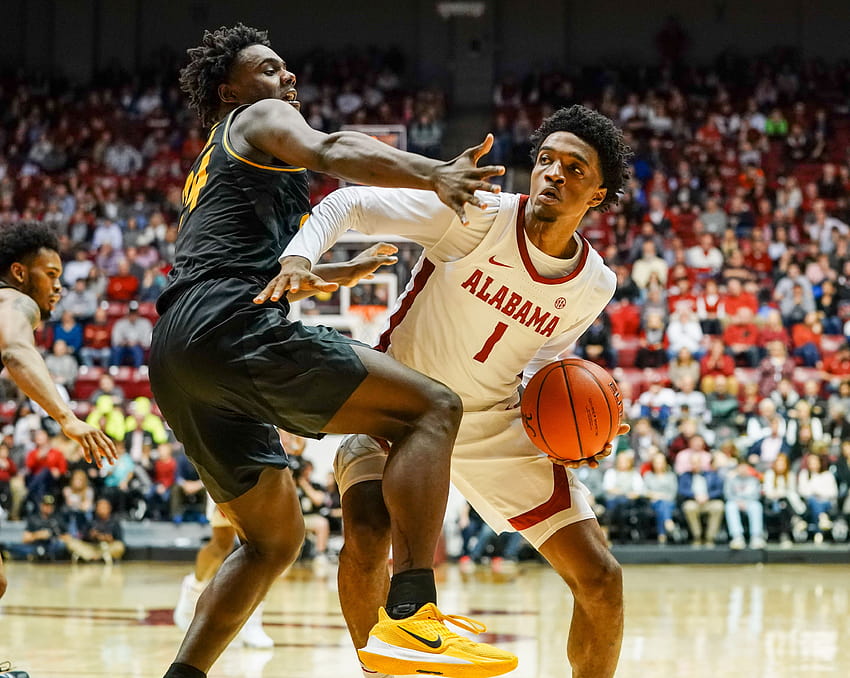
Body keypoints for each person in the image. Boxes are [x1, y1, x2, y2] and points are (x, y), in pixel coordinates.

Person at [148, 24, 511, 678]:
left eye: (287, 70)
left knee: (272, 540)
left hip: (176, 350)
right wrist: (437, 174)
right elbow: (334, 147)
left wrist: (328, 277)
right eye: (269, 67)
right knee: (430, 408)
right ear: (232, 89)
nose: (286, 79)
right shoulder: (260, 116)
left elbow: (224, 259)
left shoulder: (212, 160)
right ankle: (412, 613)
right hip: (228, 325)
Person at [263, 104, 632, 678]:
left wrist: (578, 433)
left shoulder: (594, 284)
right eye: (545, 161)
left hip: (490, 421)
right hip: (399, 402)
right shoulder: (476, 214)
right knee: (367, 531)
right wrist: (299, 256)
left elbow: (539, 367)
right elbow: (350, 201)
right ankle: (381, 669)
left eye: (574, 168)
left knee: (602, 579)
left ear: (599, 194)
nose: (554, 174)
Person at [0, 221, 116, 602]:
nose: (58, 286)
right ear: (19, 272)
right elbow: (15, 350)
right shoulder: (15, 301)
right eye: (50, 274)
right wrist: (67, 418)